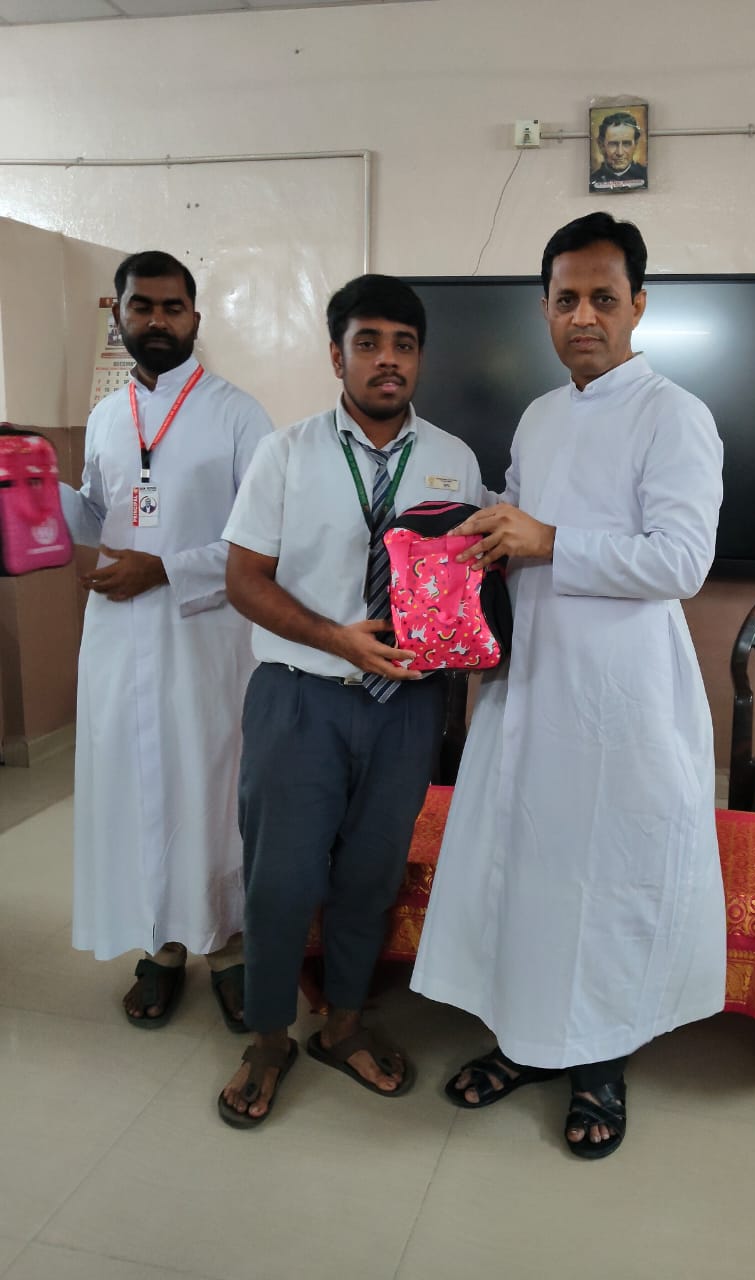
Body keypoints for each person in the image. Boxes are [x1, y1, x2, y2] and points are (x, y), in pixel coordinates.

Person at [411, 212, 726, 1160]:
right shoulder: (541, 416)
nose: (582, 316)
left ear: (637, 305)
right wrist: (473, 533)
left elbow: (681, 561)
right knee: (530, 867)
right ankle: (525, 1040)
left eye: (602, 297)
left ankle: (599, 1064)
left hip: (621, 696)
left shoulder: (674, 414)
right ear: (544, 309)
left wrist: (549, 541)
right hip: (530, 679)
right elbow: (519, 524)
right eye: (565, 299)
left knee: (607, 875)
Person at [217, 274, 484, 1128]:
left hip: (405, 707)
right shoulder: (286, 453)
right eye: (368, 343)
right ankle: (268, 1036)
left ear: (420, 359)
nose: (386, 360)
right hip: (299, 698)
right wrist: (337, 639)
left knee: (371, 875)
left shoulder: (455, 460)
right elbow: (243, 581)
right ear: (337, 357)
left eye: (403, 345)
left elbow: (464, 582)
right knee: (280, 877)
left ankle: (342, 1023)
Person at [61, 250, 274, 1031]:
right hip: (119, 637)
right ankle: (162, 946)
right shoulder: (107, 417)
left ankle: (230, 950)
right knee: (135, 785)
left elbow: (265, 538)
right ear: (119, 315)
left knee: (212, 788)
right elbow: (98, 512)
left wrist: (165, 570)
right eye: (141, 306)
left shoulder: (239, 415)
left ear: (194, 317)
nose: (157, 320)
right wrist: (36, 489)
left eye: (171, 307)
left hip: (206, 635)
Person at [589, 111, 647, 189]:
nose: (620, 153)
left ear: (635, 144)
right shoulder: (592, 181)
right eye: (613, 144)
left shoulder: (646, 176)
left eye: (626, 144)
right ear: (601, 145)